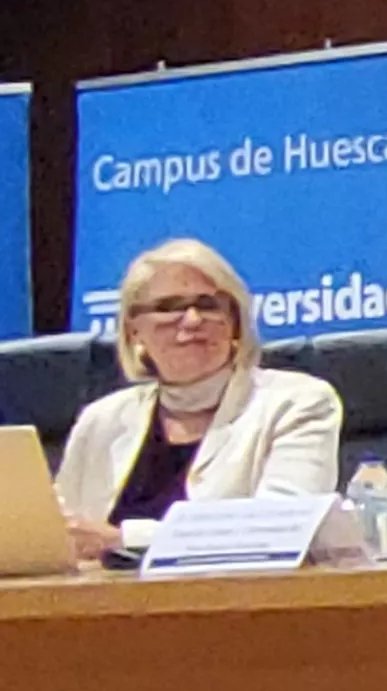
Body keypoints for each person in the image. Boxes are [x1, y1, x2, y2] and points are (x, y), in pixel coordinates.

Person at [59, 238, 344, 561]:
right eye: (169, 307)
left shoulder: (297, 403)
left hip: (242, 591)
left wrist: (124, 538)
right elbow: (64, 532)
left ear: (235, 324)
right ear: (134, 329)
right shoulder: (101, 420)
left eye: (209, 305)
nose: (193, 320)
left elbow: (280, 529)